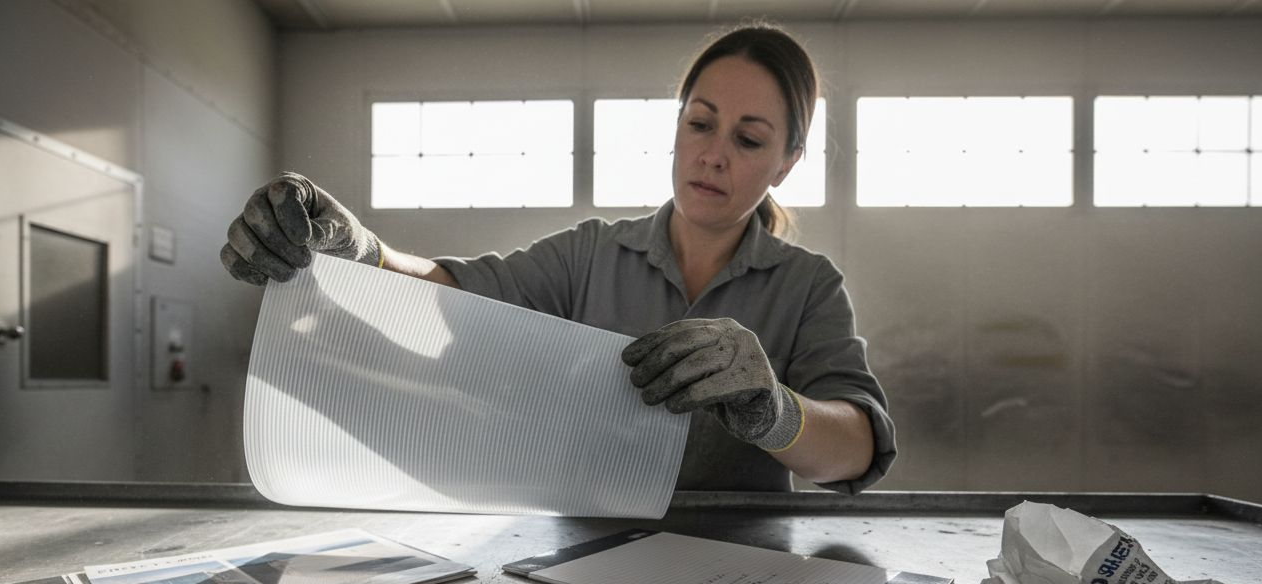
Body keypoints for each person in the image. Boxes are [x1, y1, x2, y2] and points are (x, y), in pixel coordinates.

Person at [220, 23, 895, 494]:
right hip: (589, 553)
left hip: (747, 570)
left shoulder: (807, 286)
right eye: (699, 122)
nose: (714, 153)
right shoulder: (592, 254)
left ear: (787, 163)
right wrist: (358, 249)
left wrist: (772, 408)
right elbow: (452, 294)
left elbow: (857, 446)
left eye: (749, 139)